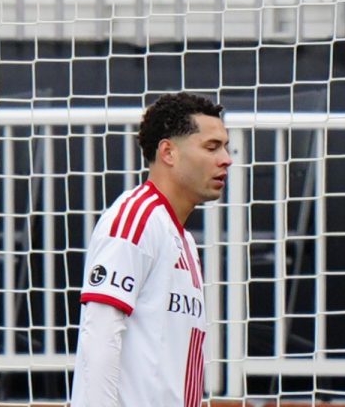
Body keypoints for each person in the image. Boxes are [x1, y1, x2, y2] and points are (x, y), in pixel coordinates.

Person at [70, 92, 233, 407]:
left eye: (225, 146)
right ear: (168, 153)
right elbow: (99, 337)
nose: (226, 158)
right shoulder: (135, 218)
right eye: (211, 147)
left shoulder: (183, 239)